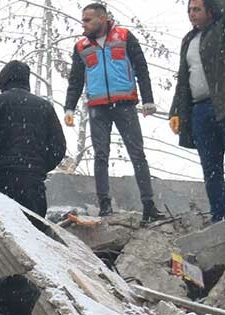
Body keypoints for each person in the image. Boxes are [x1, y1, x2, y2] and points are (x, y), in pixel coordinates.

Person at [63, 3, 160, 220]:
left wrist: (148, 100)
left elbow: (141, 69)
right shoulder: (81, 46)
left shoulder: (124, 36)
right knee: (101, 155)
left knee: (137, 154)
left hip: (124, 103)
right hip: (98, 106)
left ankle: (149, 205)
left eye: (88, 20)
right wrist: (69, 106)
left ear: (102, 18)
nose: (83, 25)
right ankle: (105, 206)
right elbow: (76, 79)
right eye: (83, 20)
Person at [171, 0, 225, 223]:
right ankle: (219, 213)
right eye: (189, 10)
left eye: (197, 9)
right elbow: (183, 79)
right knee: (210, 165)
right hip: (200, 109)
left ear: (210, 10)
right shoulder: (188, 40)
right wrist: (176, 111)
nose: (192, 14)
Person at [0, 61, 66, 216]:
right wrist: (40, 166)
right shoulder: (44, 106)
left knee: (5, 232)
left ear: (4, 80)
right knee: (34, 231)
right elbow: (59, 146)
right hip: (34, 182)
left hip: (4, 180)